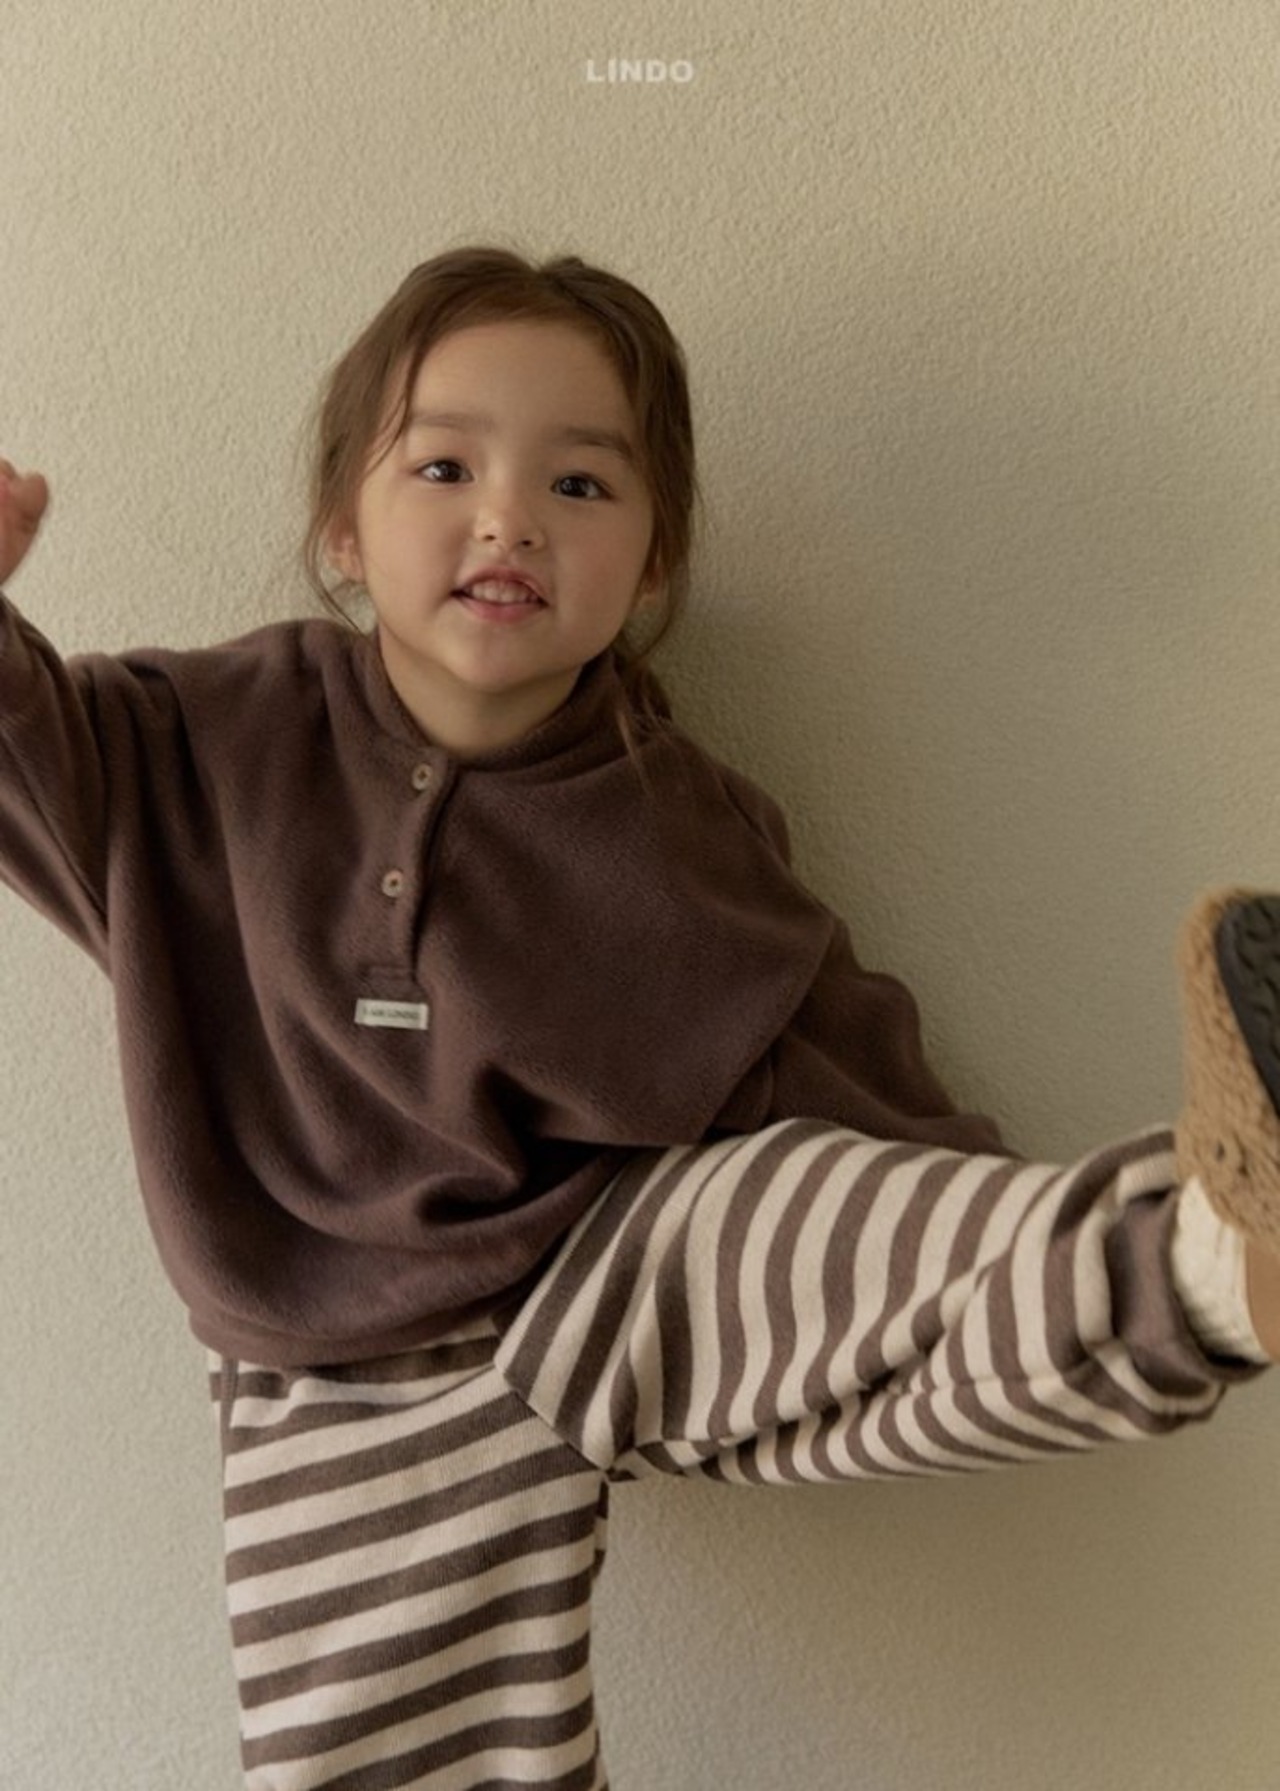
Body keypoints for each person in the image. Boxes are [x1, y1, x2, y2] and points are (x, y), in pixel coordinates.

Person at [1, 244, 1279, 1791]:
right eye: (446, 466)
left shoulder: (676, 820)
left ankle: (1210, 1256)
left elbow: (832, 1058)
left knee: (814, 1219)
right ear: (343, 525)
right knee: (386, 1759)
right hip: (335, 1360)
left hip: (608, 1260)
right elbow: (30, 753)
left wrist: (954, 1228)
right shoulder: (201, 736)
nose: (510, 519)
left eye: (581, 485)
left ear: (654, 562)